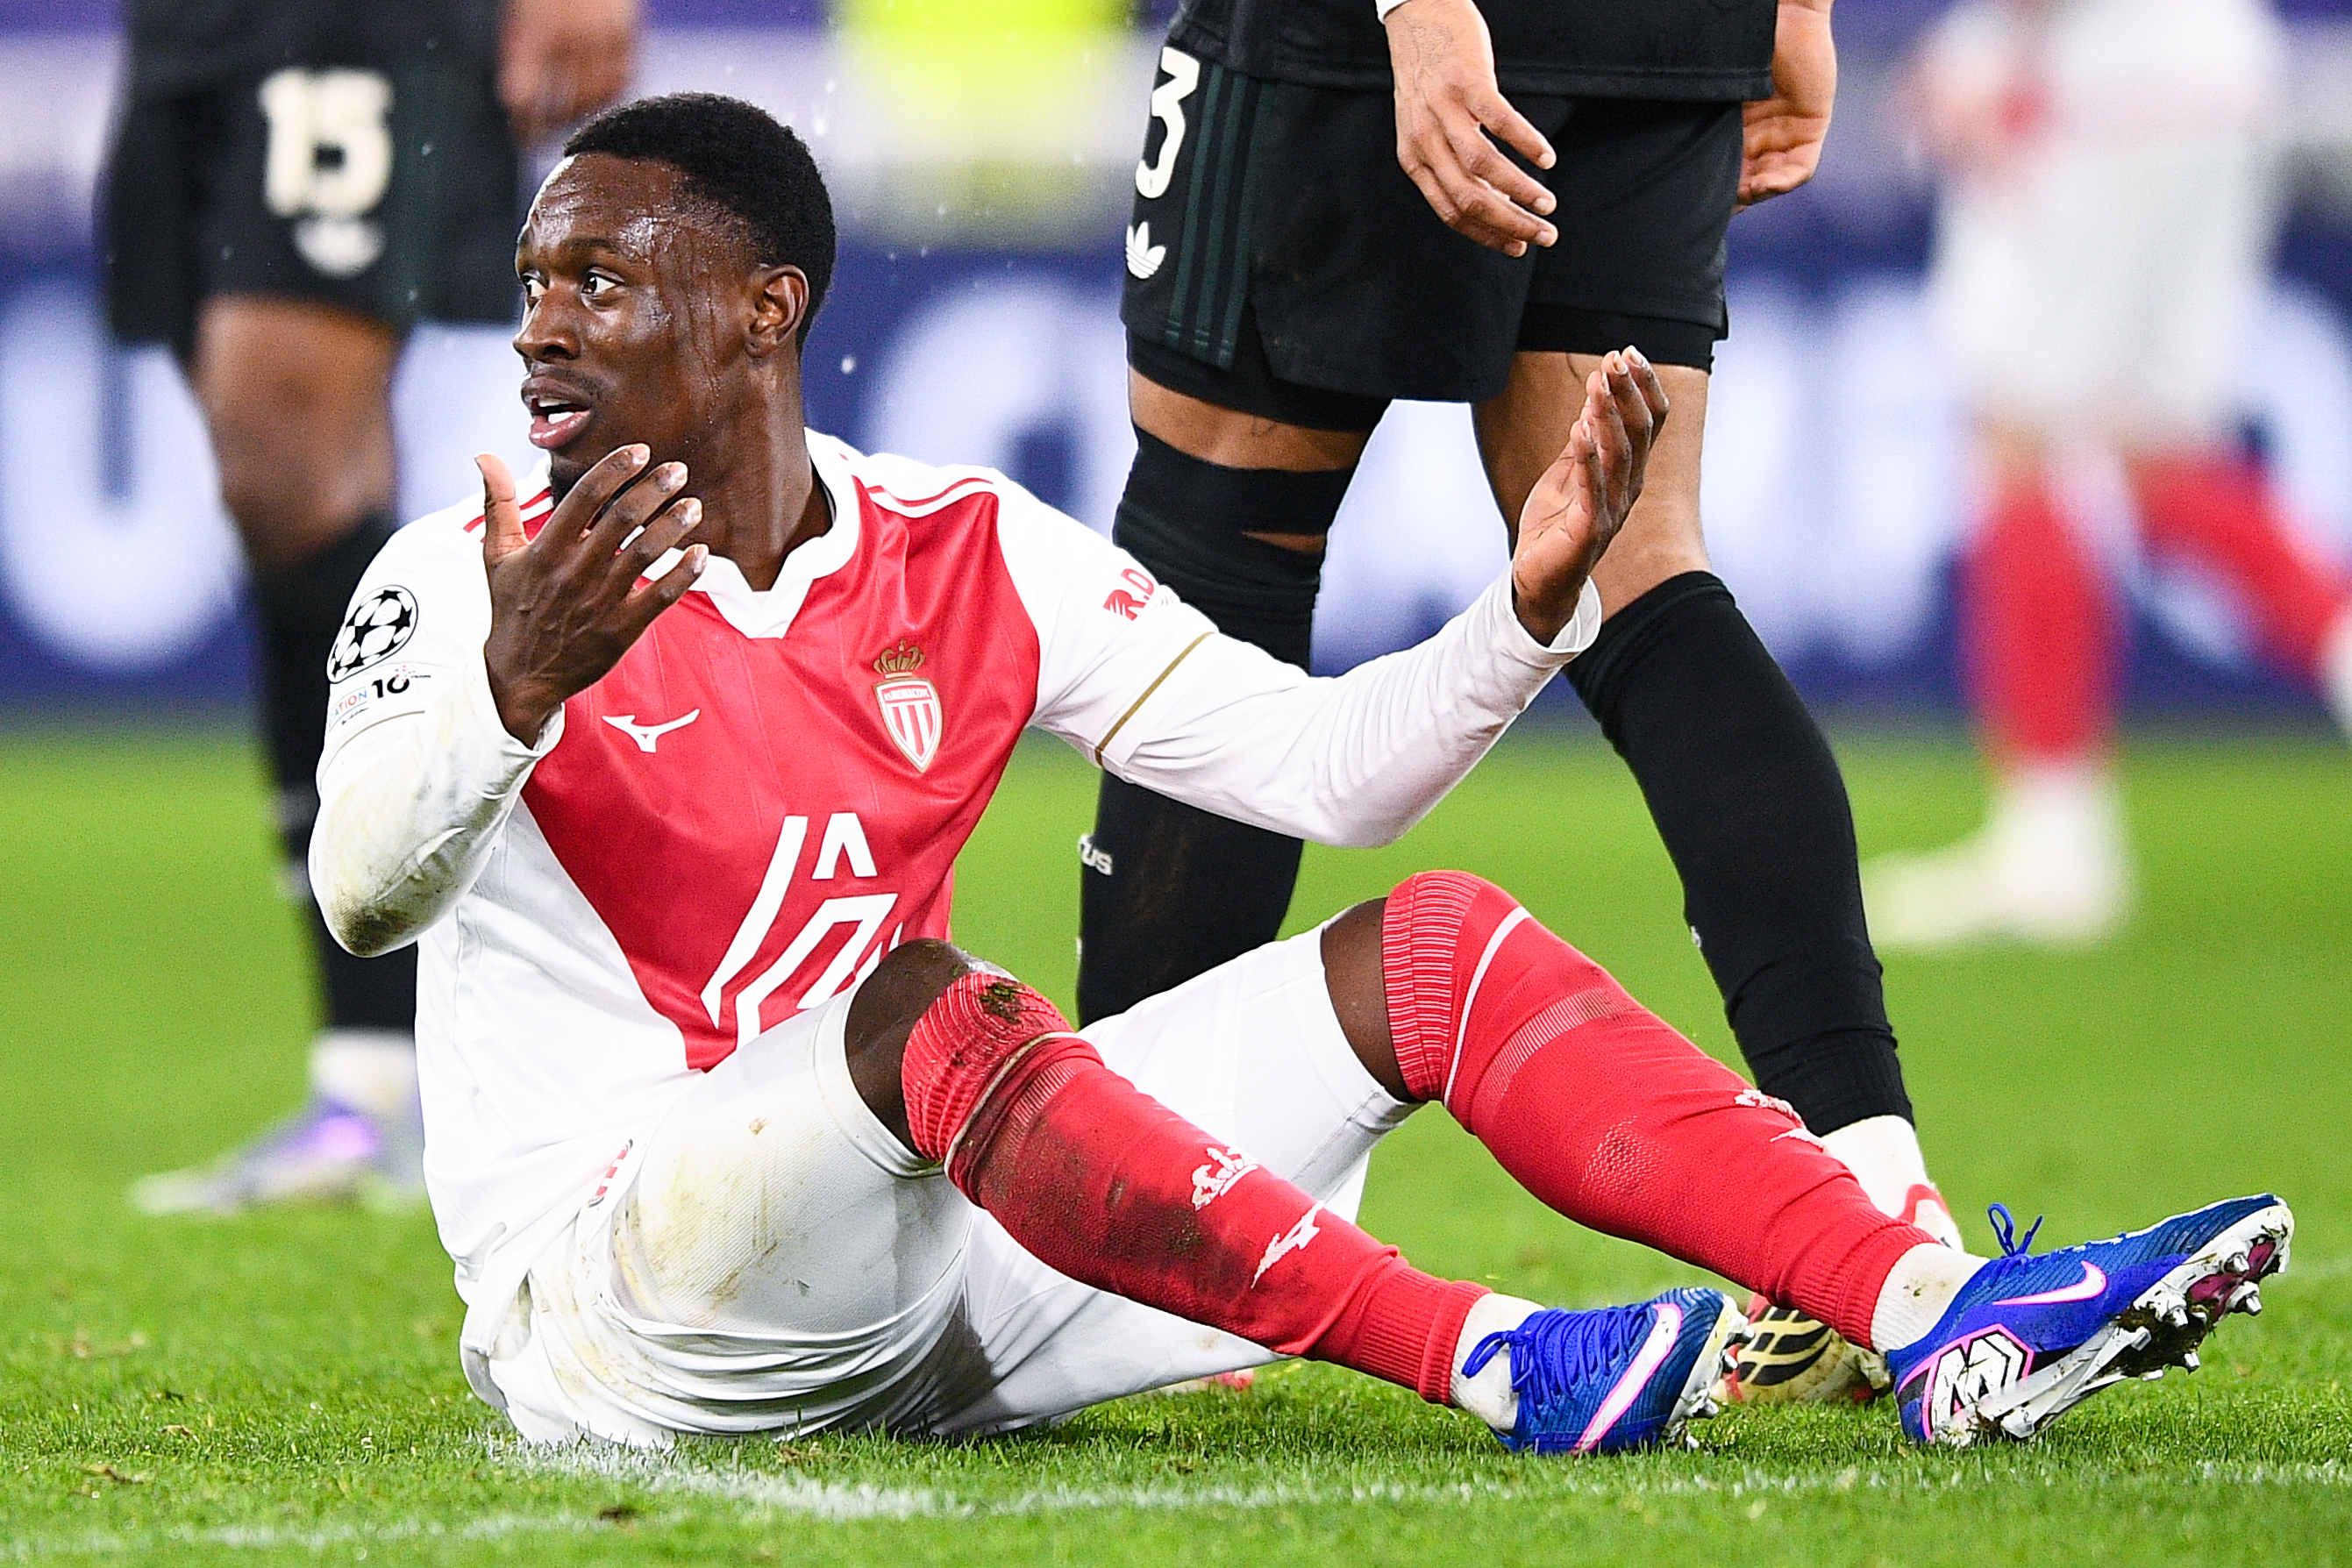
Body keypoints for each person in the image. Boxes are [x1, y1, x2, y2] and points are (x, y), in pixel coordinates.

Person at [308, 93, 2288, 1451]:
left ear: (768, 311)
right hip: (623, 1303)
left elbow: (1321, 772)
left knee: (1432, 947)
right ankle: (1497, 1356)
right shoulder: (467, 569)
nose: (540, 329)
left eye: (596, 279)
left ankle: (1936, 1310)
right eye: (536, 279)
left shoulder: (963, 547)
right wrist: (510, 684)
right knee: (923, 1001)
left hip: (917, 1263)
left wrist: (1527, 611)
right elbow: (362, 895)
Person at [1090, 0, 1950, 1403]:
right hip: (1659, 32)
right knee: (1642, 575)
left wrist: (1420, 16)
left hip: (1378, 33)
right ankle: (1874, 1189)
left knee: (1217, 564)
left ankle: (1157, 1247)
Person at [103, 0, 640, 1213]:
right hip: (189, 35)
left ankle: (418, 1059)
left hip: (348, 24)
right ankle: (378, 1079)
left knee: (288, 465)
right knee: (287, 487)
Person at [1866, 0, 2352, 948]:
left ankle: (2052, 843)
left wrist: (1999, 50)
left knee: (2020, 438)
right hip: (2215, 73)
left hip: (2098, 87)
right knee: (2160, 454)